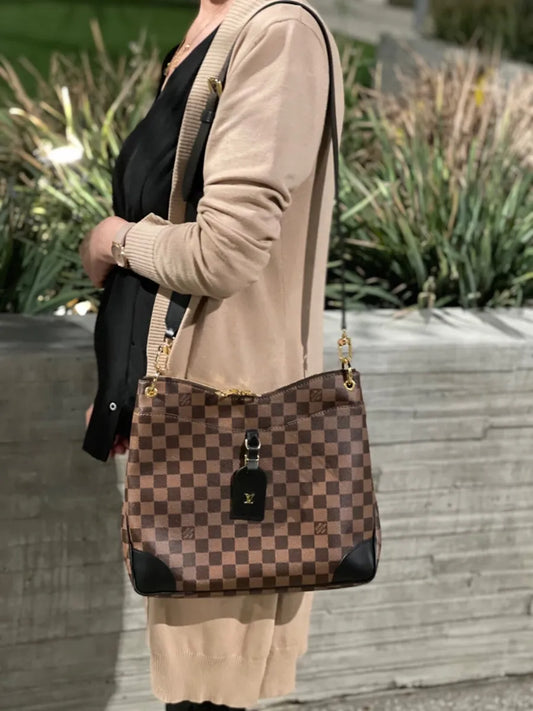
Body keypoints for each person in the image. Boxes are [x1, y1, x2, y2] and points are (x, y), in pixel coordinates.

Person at [80, 0, 345, 709]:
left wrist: (112, 239)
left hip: (230, 419)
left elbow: (225, 250)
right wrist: (122, 387)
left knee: (209, 688)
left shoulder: (279, 33)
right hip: (179, 403)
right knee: (193, 679)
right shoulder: (213, 29)